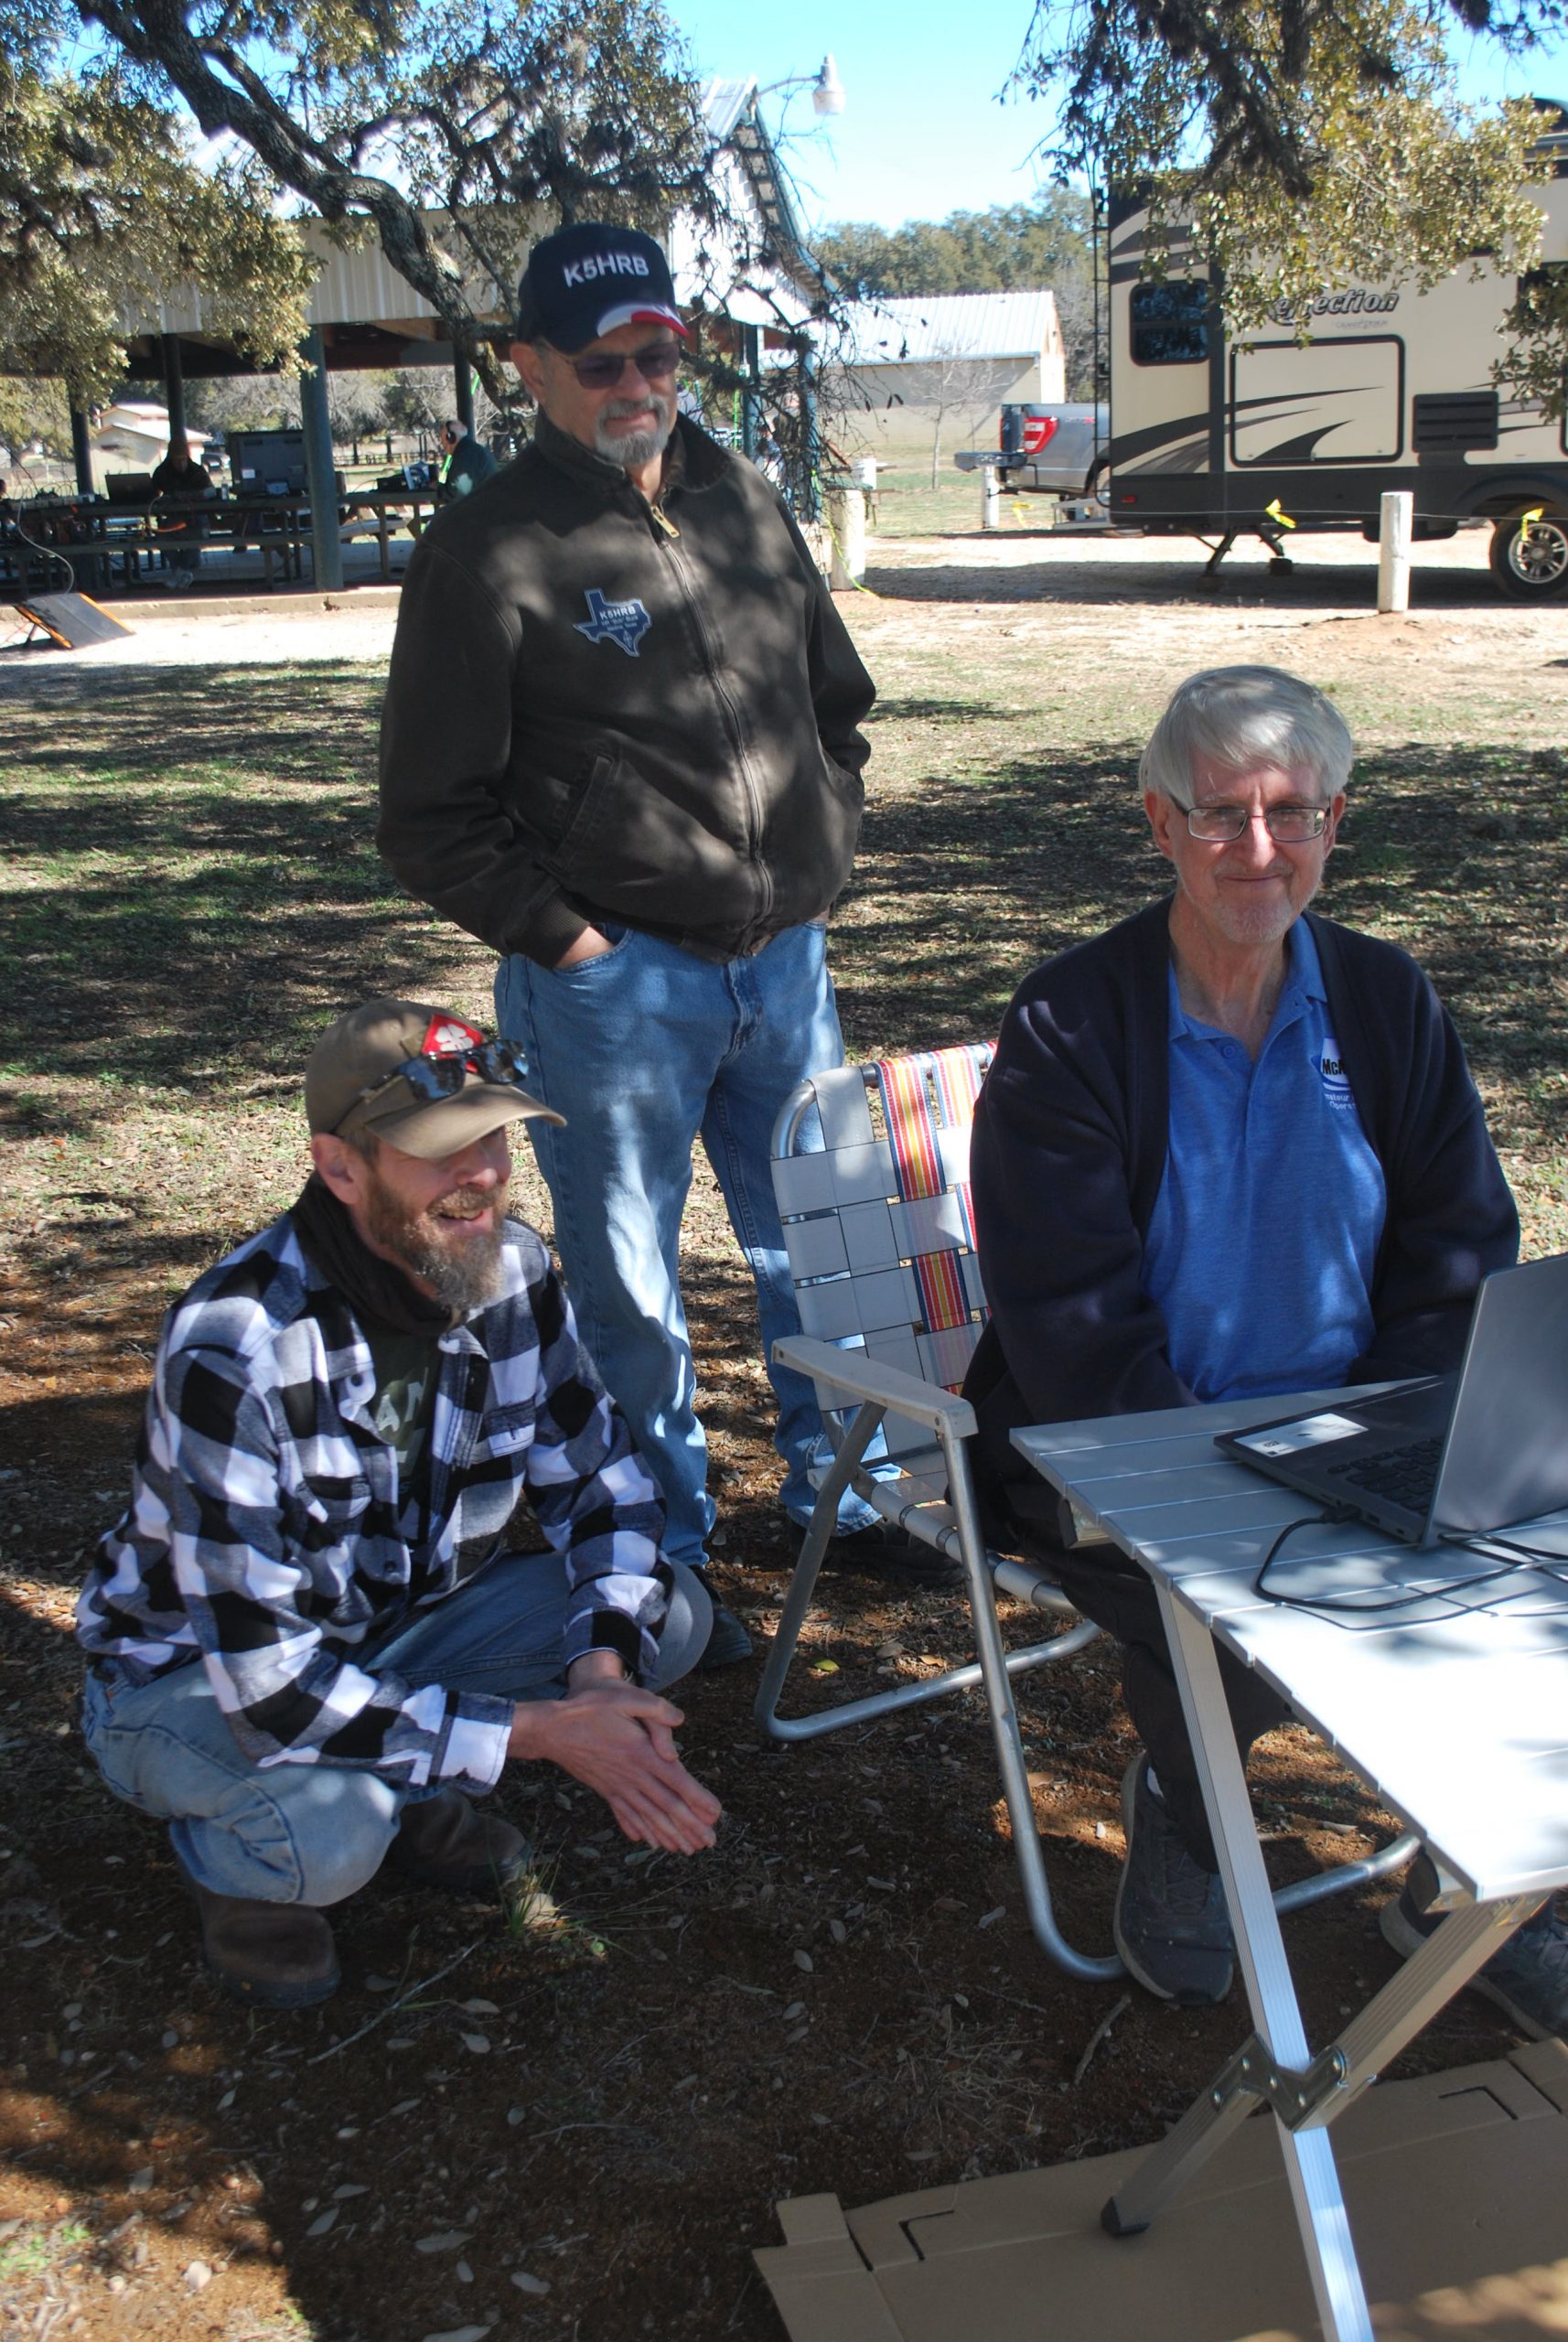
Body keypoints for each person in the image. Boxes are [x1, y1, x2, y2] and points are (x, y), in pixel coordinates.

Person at [377, 221, 955, 1672]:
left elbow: (835, 696)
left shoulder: (739, 490)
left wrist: (827, 838)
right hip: (614, 985)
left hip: (783, 966)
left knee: (821, 1243)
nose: (637, 383)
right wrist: (569, 944)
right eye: (599, 362)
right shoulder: (490, 547)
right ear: (529, 367)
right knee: (629, 1279)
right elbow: (427, 816)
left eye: (657, 353)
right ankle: (665, 1544)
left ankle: (852, 1495)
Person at [964, 663, 1568, 2036]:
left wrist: (1382, 1432)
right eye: (1219, 813)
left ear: (1334, 822)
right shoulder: (1070, 1021)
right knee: (1230, 1620)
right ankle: (1189, 1803)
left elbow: (1460, 1245)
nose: (1256, 849)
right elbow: (1064, 1311)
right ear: (1157, 823)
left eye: (1290, 814)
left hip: (1357, 1425)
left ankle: (1470, 1880)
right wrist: (1215, 1480)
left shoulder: (1382, 999)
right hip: (1121, 1439)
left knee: (1520, 1580)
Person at [76, 999, 721, 2010]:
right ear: (339, 1168)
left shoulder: (514, 1272)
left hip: (391, 1635)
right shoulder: (233, 1346)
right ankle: (250, 1869)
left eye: (495, 1136)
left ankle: (412, 1773)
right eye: (438, 1151)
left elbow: (605, 1488)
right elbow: (271, 1685)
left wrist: (596, 1675)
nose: (484, 1175)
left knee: (666, 1613)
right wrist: (541, 1731)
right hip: (197, 1680)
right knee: (332, 1833)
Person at [149, 435, 210, 590]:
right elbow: (151, 493)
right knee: (161, 537)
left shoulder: (197, 471)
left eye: (183, 459)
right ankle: (181, 570)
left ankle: (181, 571)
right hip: (173, 521)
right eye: (177, 460)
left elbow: (210, 491)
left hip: (196, 519)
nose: (181, 463)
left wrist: (188, 496)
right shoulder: (162, 472)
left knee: (196, 538)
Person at [438, 417, 499, 500]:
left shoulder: (464, 456)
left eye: (442, 439)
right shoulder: (473, 450)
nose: (442, 443)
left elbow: (459, 492)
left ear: (450, 438)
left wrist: (440, 489)